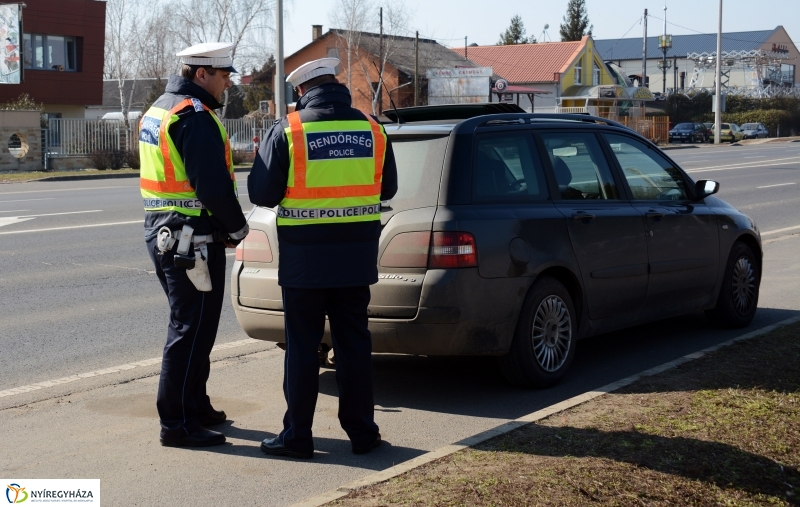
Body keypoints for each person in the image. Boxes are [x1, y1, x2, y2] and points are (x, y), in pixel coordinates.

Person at [248, 57, 398, 459]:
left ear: (302, 91)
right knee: (354, 348)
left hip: (305, 264)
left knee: (302, 348)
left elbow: (261, 194)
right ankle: (364, 435)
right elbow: (388, 189)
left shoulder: (290, 130)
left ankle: (297, 437)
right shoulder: (372, 128)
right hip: (355, 261)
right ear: (337, 85)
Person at [140, 42, 249, 447]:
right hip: (192, 240)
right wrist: (238, 229)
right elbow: (213, 187)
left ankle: (195, 405)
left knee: (197, 328)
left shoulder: (160, 109)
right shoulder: (194, 115)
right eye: (224, 76)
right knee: (189, 330)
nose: (228, 84)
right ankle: (178, 425)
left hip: (166, 232)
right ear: (201, 74)